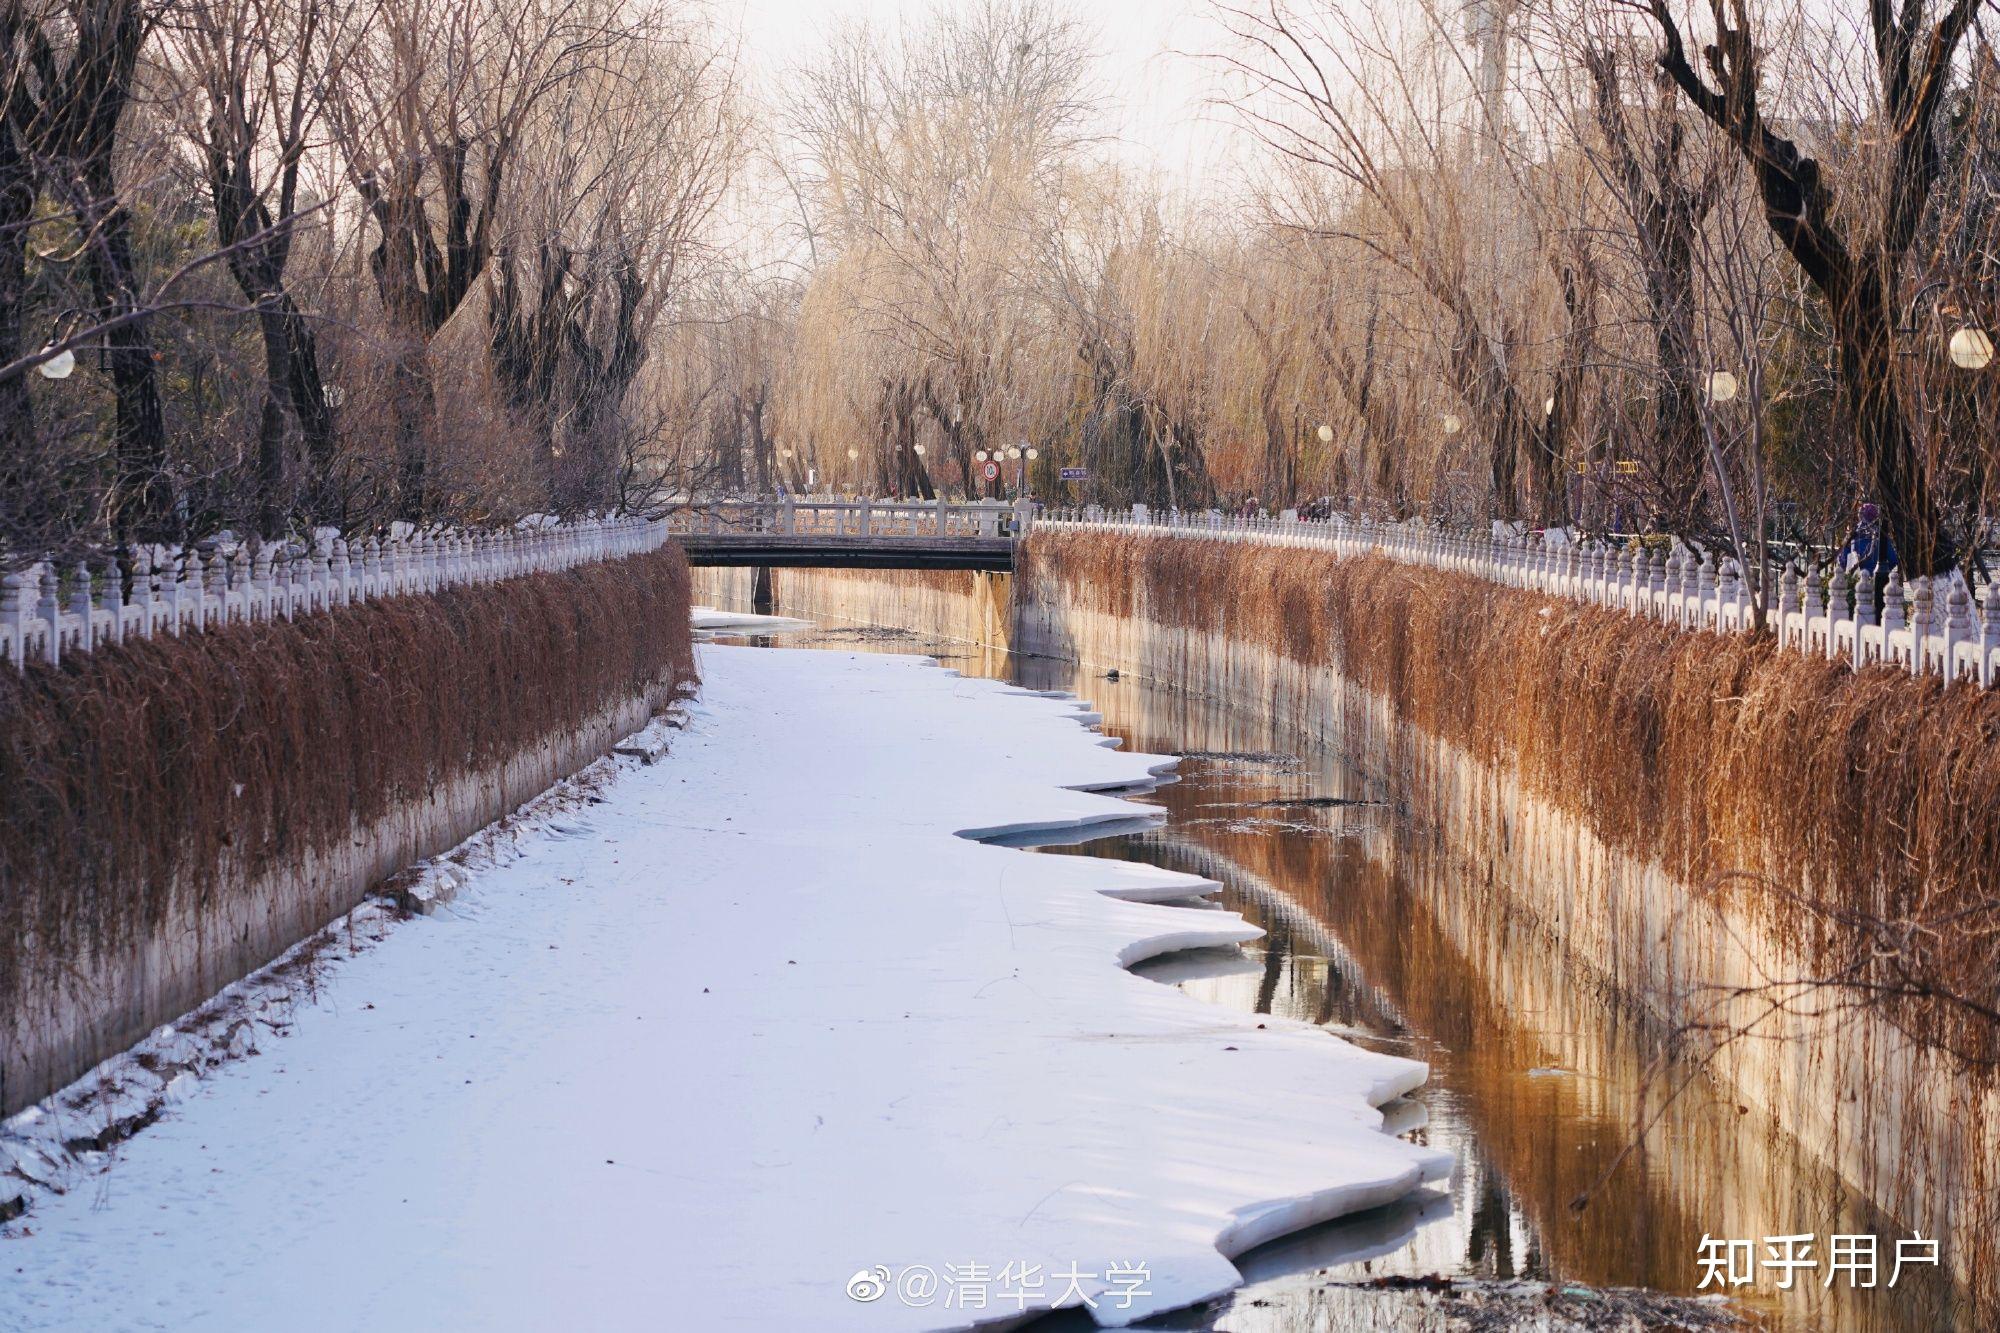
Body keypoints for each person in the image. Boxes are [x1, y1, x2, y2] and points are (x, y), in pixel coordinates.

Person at [1841, 502, 1898, 575]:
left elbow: (1843, 560)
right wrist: (1883, 573)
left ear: (1860, 516)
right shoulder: (1881, 536)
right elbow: (1893, 559)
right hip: (1876, 580)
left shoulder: (1852, 535)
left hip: (1855, 580)